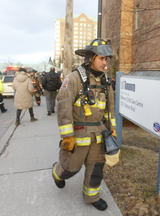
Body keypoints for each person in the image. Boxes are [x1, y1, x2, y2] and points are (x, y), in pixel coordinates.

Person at [51, 38, 119, 211]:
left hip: (99, 134)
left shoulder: (106, 81)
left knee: (96, 168)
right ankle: (58, 173)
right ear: (90, 58)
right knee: (70, 168)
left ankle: (92, 197)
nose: (105, 63)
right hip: (78, 133)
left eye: (106, 59)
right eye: (102, 58)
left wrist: (112, 129)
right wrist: (67, 136)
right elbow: (63, 108)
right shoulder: (73, 79)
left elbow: (110, 108)